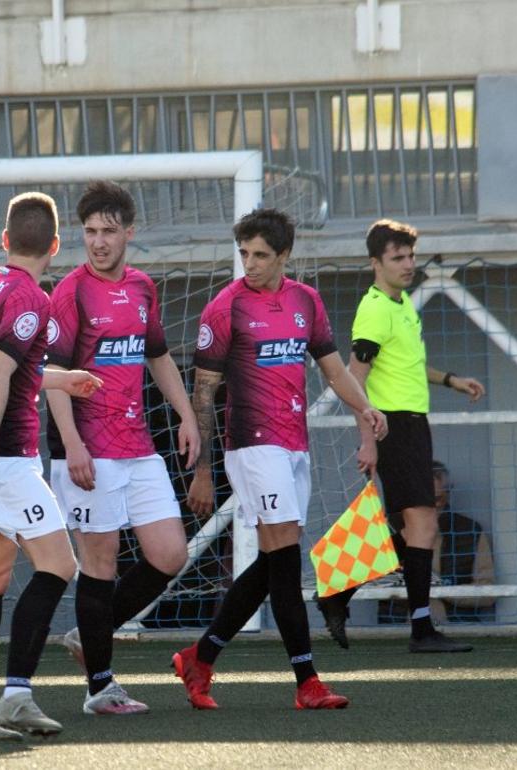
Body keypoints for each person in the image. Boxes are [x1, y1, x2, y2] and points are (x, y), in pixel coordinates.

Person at [177, 208, 387, 711]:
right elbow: (203, 396)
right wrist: (203, 470)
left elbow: (334, 371)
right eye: (244, 253)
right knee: (288, 560)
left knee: (276, 562)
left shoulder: (305, 301)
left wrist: (366, 407)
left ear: (284, 256)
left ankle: (199, 658)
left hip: (294, 444)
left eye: (261, 255)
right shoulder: (224, 309)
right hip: (251, 446)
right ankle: (307, 682)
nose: (249, 263)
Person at [0, 191, 103, 741]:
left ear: (6, 240)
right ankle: (15, 695)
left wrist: (59, 379)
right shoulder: (33, 297)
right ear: (56, 246)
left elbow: (10, 372)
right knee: (60, 566)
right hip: (3, 456)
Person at [46, 181, 200, 716]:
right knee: (100, 562)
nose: (98, 242)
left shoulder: (141, 287)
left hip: (137, 446)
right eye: (89, 232)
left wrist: (186, 414)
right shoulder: (70, 292)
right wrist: (72, 445)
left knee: (169, 554)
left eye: (109, 231)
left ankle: (89, 636)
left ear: (129, 233)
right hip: (89, 450)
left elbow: (156, 355)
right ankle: (100, 689)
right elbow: (56, 377)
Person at [316, 219, 484, 653]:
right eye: (398, 258)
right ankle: (420, 629)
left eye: (411, 256)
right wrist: (369, 438)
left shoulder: (402, 303)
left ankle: (337, 589)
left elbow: (405, 364)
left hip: (412, 423)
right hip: (392, 425)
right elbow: (354, 375)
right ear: (376, 263)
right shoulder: (374, 310)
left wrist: (450, 379)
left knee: (408, 527)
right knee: (422, 525)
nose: (409, 264)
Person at [376, 461, 496, 625]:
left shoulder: (468, 530)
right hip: (398, 626)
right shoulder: (389, 528)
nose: (435, 504)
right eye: (428, 498)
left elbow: (488, 592)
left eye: (440, 497)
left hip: (459, 626)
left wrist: (441, 590)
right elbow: (370, 582)